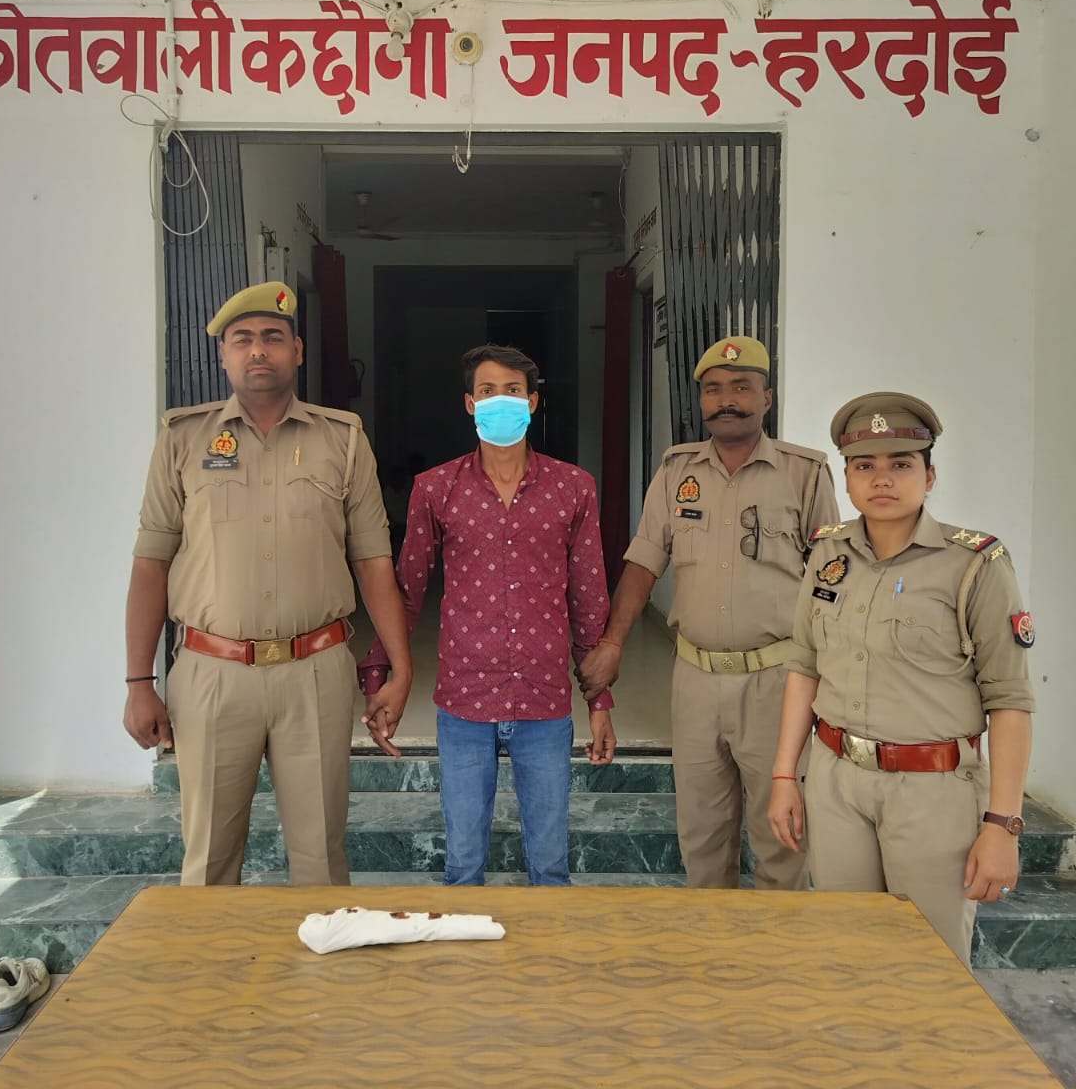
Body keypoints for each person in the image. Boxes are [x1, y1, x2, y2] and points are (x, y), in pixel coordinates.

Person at [122, 280, 415, 886]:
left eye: (273, 337)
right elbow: (151, 563)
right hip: (211, 674)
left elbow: (373, 561)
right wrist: (138, 683)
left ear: (297, 351)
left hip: (315, 672)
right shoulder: (183, 439)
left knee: (321, 860)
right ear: (224, 354)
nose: (258, 350)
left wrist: (400, 666)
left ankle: (322, 953)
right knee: (208, 860)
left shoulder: (342, 440)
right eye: (243, 339)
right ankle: (212, 952)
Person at [766, 392, 1036, 965]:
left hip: (932, 791)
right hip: (837, 781)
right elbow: (805, 666)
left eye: (901, 464)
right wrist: (786, 774)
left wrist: (1003, 825)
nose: (881, 479)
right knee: (845, 952)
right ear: (847, 478)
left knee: (929, 965)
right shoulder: (828, 554)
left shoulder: (974, 565)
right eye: (864, 465)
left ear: (930, 476)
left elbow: (1010, 701)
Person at [578, 336, 838, 890]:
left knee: (782, 835)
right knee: (701, 834)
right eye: (714, 390)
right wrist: (614, 642)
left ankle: (776, 939)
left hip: (775, 680)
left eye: (742, 387)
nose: (727, 400)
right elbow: (644, 563)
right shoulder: (677, 471)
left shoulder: (805, 473)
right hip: (694, 679)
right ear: (701, 401)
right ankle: (711, 938)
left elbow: (831, 583)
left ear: (767, 397)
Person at [359, 344, 616, 886]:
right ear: (469, 404)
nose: (501, 401)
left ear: (533, 402)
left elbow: (589, 599)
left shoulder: (573, 487)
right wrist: (382, 674)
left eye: (513, 391)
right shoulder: (436, 487)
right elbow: (407, 590)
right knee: (462, 864)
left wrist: (599, 701)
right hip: (464, 702)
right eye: (488, 391)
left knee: (551, 866)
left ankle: (547, 941)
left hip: (544, 702)